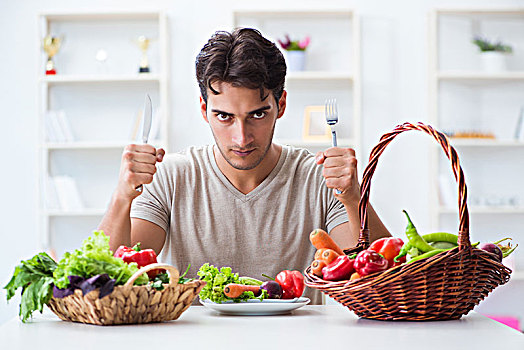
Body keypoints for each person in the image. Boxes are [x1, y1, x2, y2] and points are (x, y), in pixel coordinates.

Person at [98, 28, 390, 304]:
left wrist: (354, 199)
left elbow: (385, 278)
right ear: (204, 110)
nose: (241, 137)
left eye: (258, 114)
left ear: (281, 105)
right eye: (224, 117)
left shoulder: (319, 178)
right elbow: (112, 277)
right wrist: (122, 196)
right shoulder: (172, 177)